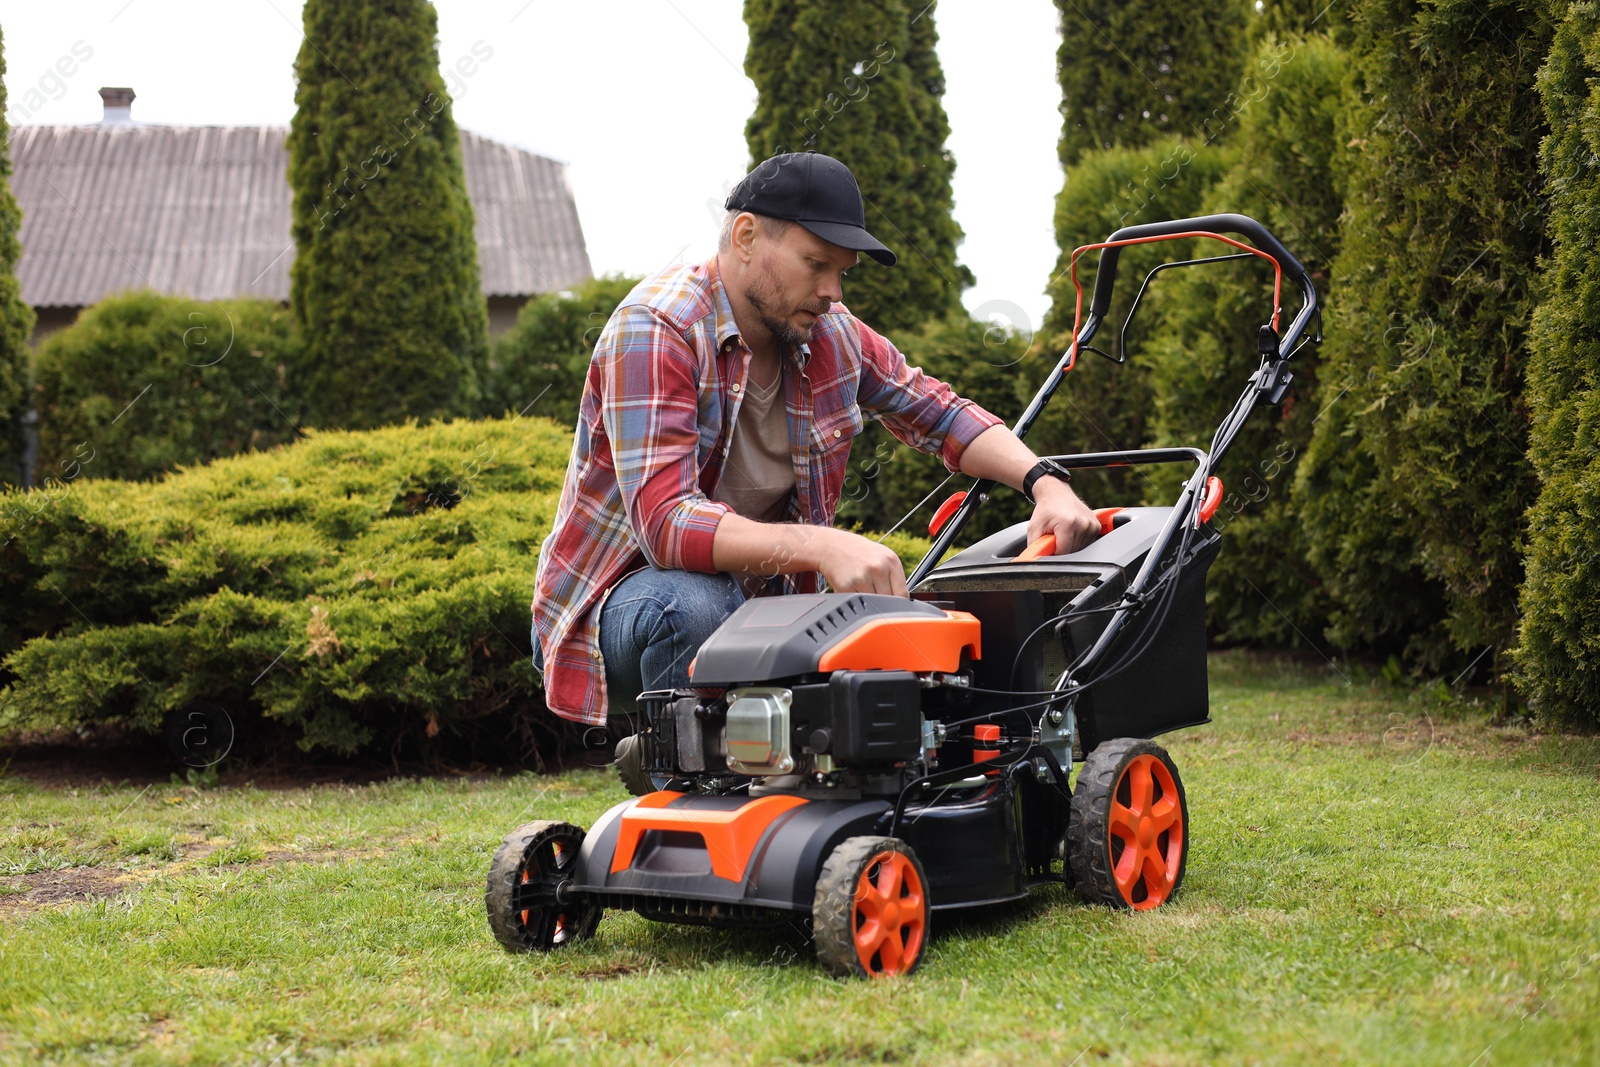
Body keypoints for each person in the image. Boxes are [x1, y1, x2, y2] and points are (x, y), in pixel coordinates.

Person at [531, 151, 1101, 726]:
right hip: (617, 607)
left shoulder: (831, 335)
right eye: (815, 264)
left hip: (762, 614)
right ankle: (689, 796)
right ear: (747, 235)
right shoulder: (658, 330)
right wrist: (826, 546)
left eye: (843, 271)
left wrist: (1044, 483)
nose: (833, 291)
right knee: (696, 604)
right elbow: (667, 526)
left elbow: (939, 412)